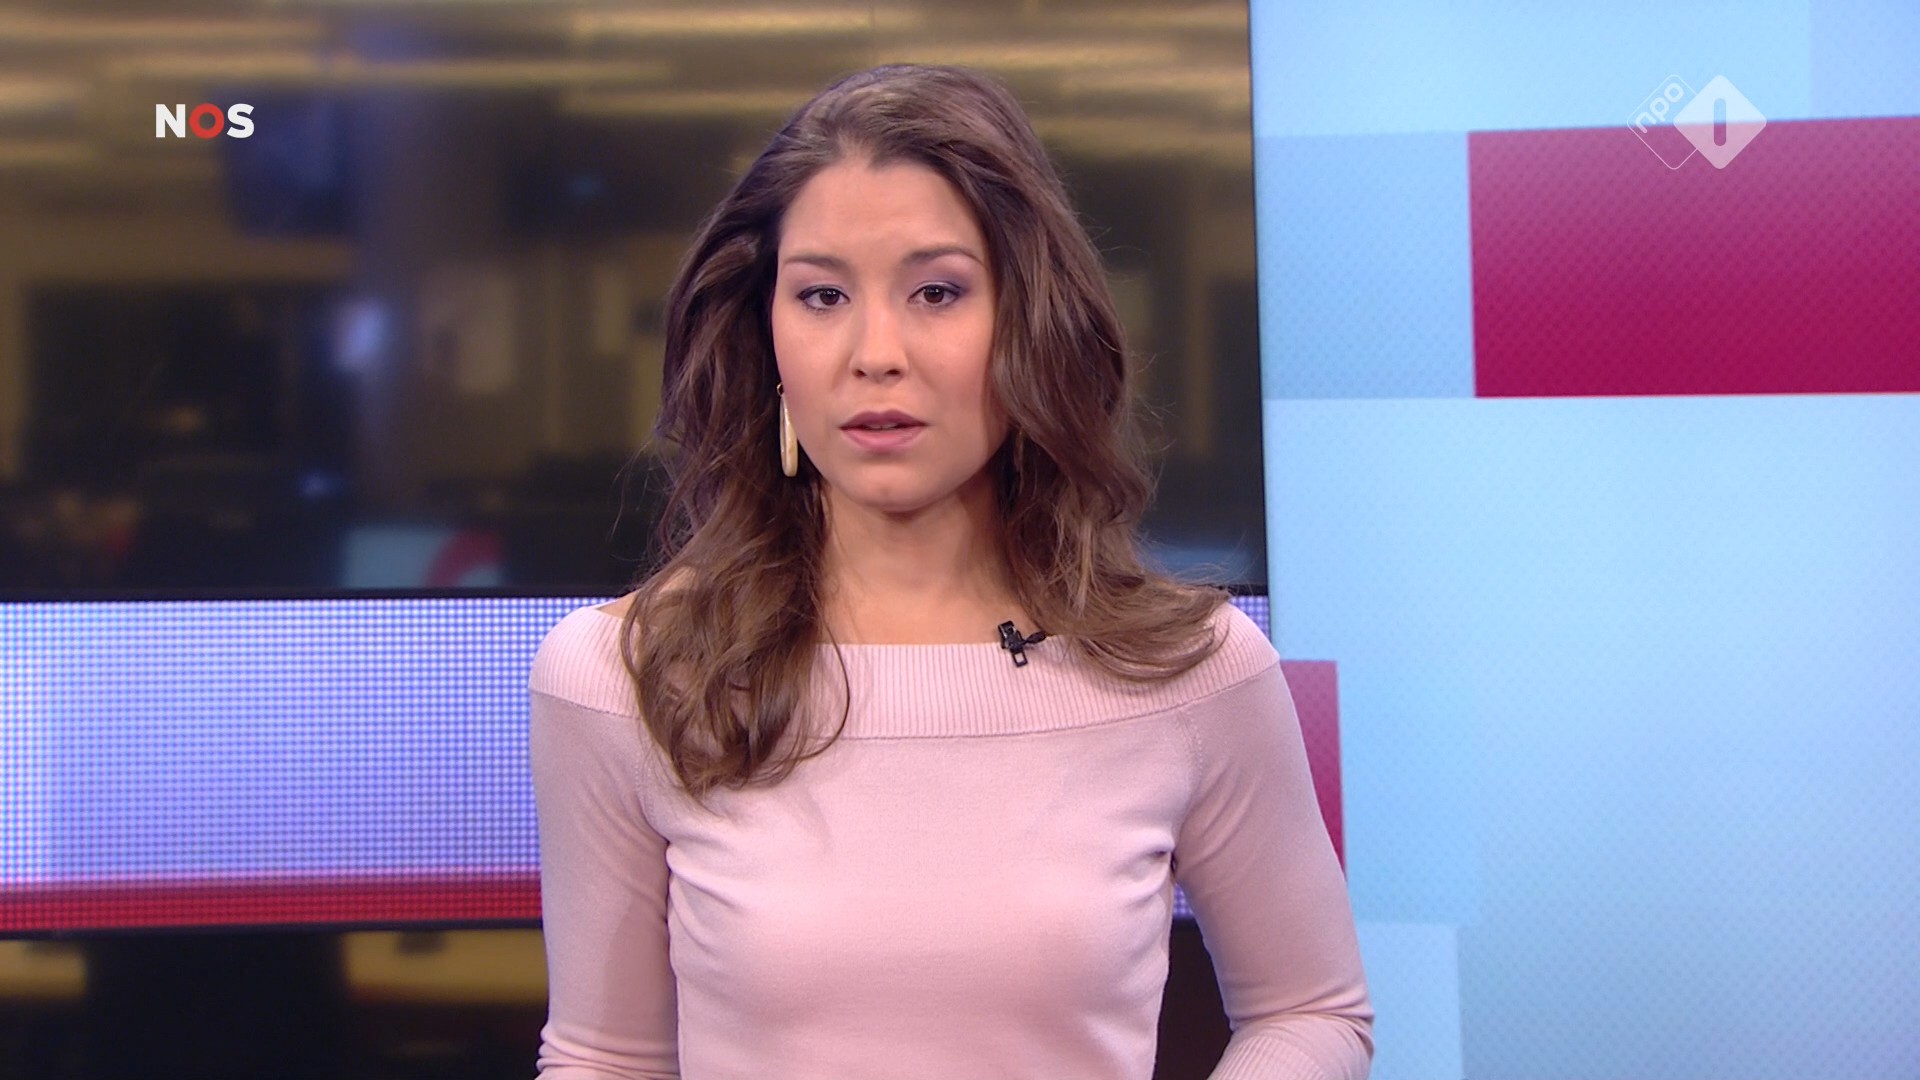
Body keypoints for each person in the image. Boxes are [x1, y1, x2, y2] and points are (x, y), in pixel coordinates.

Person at [527, 63, 1373, 1080]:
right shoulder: (626, 677)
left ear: (1029, 322)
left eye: (937, 292)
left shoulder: (1189, 671)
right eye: (823, 295)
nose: (875, 352)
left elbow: (1310, 1010)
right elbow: (604, 1057)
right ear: (767, 333)